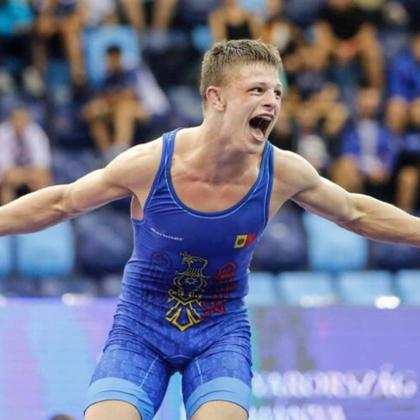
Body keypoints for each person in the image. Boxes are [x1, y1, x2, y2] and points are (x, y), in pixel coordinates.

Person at [0, 39, 420, 420]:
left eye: (277, 93)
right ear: (215, 98)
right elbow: (63, 201)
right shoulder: (150, 163)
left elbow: (354, 212)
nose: (272, 102)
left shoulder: (283, 171)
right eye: (257, 90)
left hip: (219, 332)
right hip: (140, 328)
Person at [0, 106, 52, 205]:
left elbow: (42, 163)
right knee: (7, 180)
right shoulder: (3, 133)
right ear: (11, 121)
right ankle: (7, 212)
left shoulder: (35, 132)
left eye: (23, 121)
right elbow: (4, 166)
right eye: (17, 120)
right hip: (11, 174)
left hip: (30, 172)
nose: (20, 124)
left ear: (28, 121)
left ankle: (42, 212)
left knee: (42, 178)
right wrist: (20, 174)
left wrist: (26, 175)